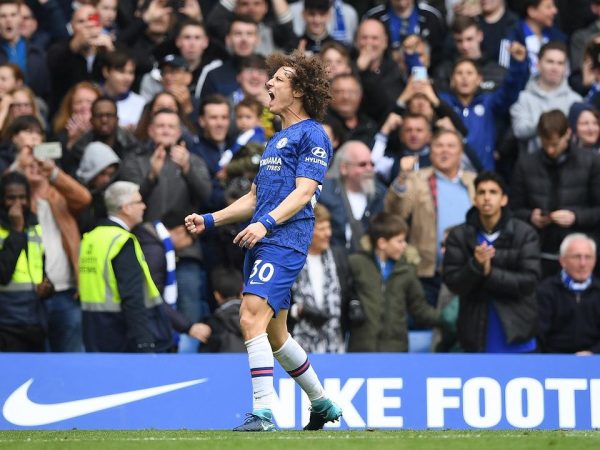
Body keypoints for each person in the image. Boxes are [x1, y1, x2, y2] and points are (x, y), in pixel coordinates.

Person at [185, 50, 341, 431]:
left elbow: (304, 192)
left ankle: (263, 414)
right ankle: (322, 403)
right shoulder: (276, 140)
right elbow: (255, 198)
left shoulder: (313, 134)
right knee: (276, 335)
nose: (268, 82)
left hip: (284, 241)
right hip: (264, 241)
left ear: (299, 91)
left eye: (279, 79)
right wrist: (211, 219)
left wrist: (266, 225)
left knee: (249, 315)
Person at [443, 171, 541, 353]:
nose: (487, 198)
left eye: (493, 192)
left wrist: (489, 273)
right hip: (474, 332)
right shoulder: (459, 236)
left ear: (504, 199)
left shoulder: (525, 234)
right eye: (481, 192)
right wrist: (475, 266)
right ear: (474, 199)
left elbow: (529, 281)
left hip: (517, 330)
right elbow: (453, 283)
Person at [385, 128, 476, 306]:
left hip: (468, 270)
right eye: (439, 146)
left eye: (451, 146)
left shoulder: (473, 181)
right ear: (430, 151)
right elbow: (395, 213)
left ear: (461, 152)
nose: (444, 150)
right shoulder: (416, 179)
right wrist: (402, 178)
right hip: (428, 273)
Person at [78, 181, 172, 353]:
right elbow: (132, 296)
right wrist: (145, 342)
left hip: (93, 331)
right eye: (139, 202)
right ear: (126, 208)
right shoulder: (122, 241)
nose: (144, 206)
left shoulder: (90, 238)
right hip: (121, 335)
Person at [510, 109, 600, 278]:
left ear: (568, 134)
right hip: (538, 249)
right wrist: (531, 216)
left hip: (580, 249)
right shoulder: (526, 164)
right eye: (545, 144)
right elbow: (513, 209)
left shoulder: (591, 161)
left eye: (555, 144)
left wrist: (575, 217)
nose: (550, 150)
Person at [347, 211, 443, 352]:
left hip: (395, 351)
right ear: (382, 243)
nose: (404, 246)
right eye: (400, 241)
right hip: (361, 349)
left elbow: (420, 309)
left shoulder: (407, 270)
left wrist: (446, 319)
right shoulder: (356, 264)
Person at [0, 171, 50, 351]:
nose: (18, 203)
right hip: (6, 324)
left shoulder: (34, 227)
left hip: (34, 320)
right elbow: (3, 274)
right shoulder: (15, 228)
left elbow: (41, 270)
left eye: (22, 197)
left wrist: (47, 286)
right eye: (11, 198)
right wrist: (16, 230)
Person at [290, 204, 348, 354]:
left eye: (329, 228)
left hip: (334, 343)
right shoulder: (290, 260)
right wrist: (300, 310)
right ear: (307, 230)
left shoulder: (339, 257)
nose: (328, 233)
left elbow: (348, 292)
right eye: (322, 229)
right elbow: (279, 303)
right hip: (298, 343)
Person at [536, 233, 600, 354]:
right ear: (562, 260)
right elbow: (539, 336)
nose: (583, 263)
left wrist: (593, 353)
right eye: (576, 257)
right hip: (554, 361)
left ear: (595, 261)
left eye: (588, 257)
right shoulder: (546, 291)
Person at [319, 140, 386, 252]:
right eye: (362, 164)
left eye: (372, 164)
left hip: (367, 259)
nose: (369, 169)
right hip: (331, 257)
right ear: (344, 168)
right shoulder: (323, 192)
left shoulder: (379, 194)